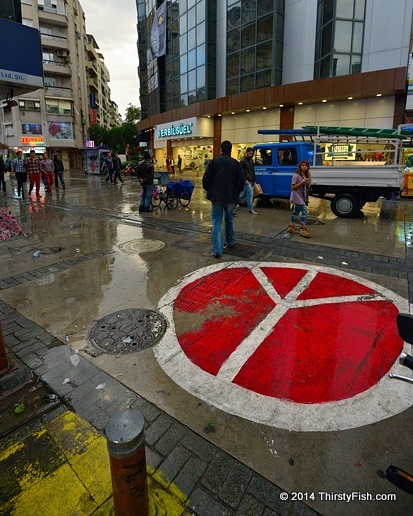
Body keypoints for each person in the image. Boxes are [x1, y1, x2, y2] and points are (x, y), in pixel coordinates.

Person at [202, 140, 245, 258]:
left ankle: (217, 250)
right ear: (230, 150)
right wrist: (236, 193)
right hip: (231, 197)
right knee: (229, 218)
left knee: (216, 220)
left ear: (220, 149)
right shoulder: (235, 164)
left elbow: (206, 180)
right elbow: (241, 181)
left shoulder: (214, 162)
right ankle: (230, 241)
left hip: (216, 196)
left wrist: (209, 190)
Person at [288, 160, 311, 238]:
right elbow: (293, 187)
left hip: (302, 196)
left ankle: (291, 226)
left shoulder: (305, 175)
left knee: (296, 212)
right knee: (304, 212)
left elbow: (308, 187)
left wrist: (309, 179)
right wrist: (302, 182)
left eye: (306, 165)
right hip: (297, 196)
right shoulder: (296, 176)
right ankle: (303, 228)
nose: (304, 167)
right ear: (300, 166)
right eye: (303, 165)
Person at [237, 147, 257, 215]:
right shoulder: (243, 161)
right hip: (247, 180)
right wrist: (244, 180)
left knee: (245, 194)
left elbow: (252, 171)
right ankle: (250, 209)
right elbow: (240, 172)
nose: (251, 155)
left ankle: (235, 201)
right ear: (247, 152)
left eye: (252, 153)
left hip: (250, 180)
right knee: (250, 194)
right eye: (250, 153)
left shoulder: (250, 161)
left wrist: (254, 180)